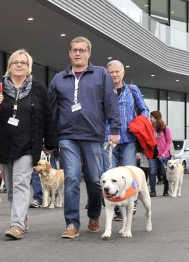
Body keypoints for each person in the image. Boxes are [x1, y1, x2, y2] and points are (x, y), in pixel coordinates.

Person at [48, 36, 121, 239]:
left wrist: (115, 129)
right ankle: (71, 223)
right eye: (74, 50)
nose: (78, 53)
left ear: (89, 53)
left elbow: (110, 101)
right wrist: (49, 138)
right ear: (69, 53)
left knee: (94, 180)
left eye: (82, 50)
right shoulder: (58, 79)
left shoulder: (101, 74)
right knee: (71, 177)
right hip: (67, 135)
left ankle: (94, 215)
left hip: (93, 134)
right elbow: (51, 110)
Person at [0, 49, 56, 240]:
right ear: (9, 66)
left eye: (23, 62)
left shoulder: (38, 88)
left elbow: (48, 116)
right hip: (4, 144)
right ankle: (22, 218)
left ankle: (16, 225)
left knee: (21, 182)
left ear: (28, 67)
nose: (19, 65)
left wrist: (50, 142)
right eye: (16, 62)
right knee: (12, 188)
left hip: (29, 144)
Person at [102, 60, 150, 220]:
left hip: (128, 139)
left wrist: (140, 123)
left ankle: (132, 203)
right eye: (111, 72)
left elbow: (144, 109)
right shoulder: (102, 90)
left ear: (123, 73)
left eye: (117, 72)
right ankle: (116, 210)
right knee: (109, 175)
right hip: (108, 140)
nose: (114, 75)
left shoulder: (132, 89)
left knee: (129, 174)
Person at [150, 111, 172, 196]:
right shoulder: (150, 128)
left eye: (151, 117)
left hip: (164, 155)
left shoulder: (165, 128)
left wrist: (164, 152)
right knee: (152, 172)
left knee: (164, 172)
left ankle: (166, 190)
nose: (150, 119)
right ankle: (152, 191)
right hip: (153, 154)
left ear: (155, 117)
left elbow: (169, 142)